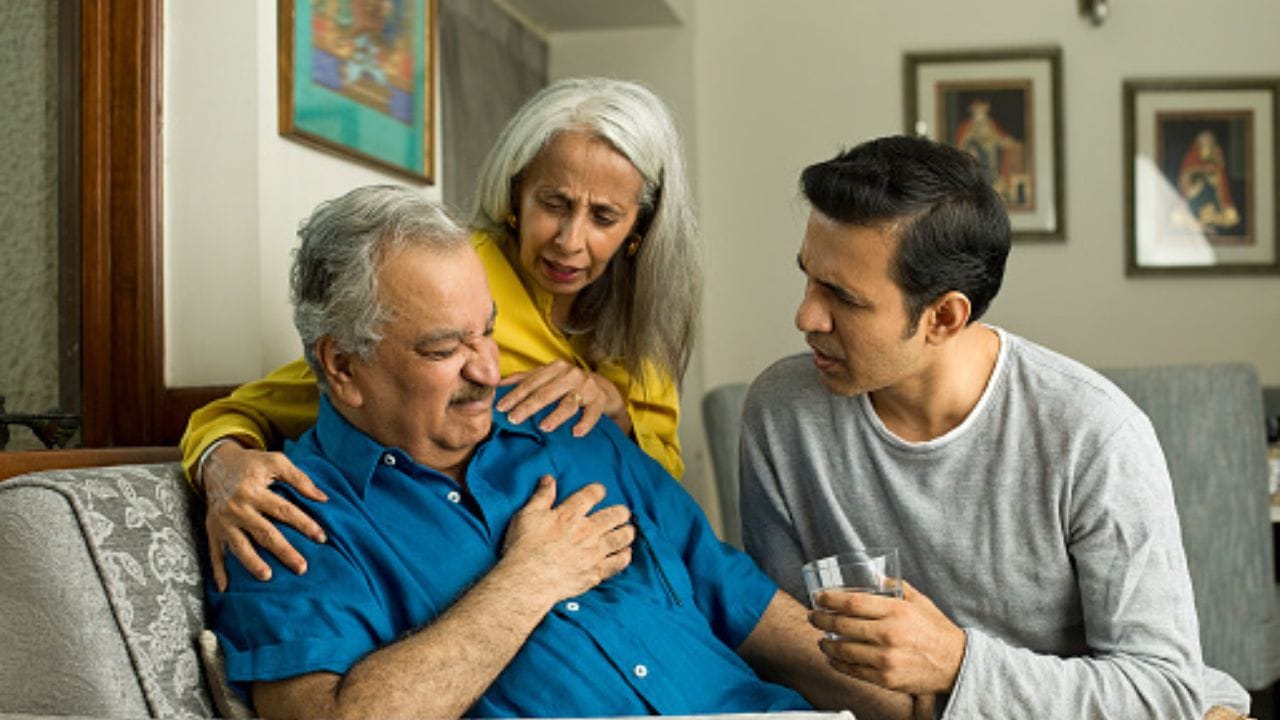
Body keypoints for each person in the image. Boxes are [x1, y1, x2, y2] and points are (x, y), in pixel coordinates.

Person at [208, 185, 922, 719]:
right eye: (443, 350)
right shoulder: (283, 516)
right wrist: (529, 579)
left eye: (485, 332)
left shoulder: (566, 426)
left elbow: (734, 596)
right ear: (341, 367)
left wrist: (928, 704)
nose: (486, 369)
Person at [739, 135, 1250, 718]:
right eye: (808, 277)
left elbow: (1162, 691)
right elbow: (786, 644)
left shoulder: (1094, 434)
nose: (805, 316)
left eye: (844, 299)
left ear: (944, 316)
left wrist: (955, 663)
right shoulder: (781, 412)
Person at [180, 77, 699, 591]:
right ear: (516, 193)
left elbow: (666, 490)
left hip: (624, 582)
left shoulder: (640, 323)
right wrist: (222, 465)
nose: (570, 241)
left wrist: (616, 414)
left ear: (639, 228)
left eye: (604, 217)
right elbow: (251, 409)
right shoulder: (453, 285)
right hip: (470, 572)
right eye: (554, 204)